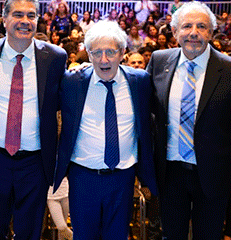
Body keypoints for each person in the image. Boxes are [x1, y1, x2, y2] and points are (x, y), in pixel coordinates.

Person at [146, 1, 231, 239]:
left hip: (213, 176)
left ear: (211, 31)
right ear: (175, 32)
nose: (194, 33)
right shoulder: (158, 61)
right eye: (187, 26)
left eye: (201, 26)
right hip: (170, 173)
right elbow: (141, 104)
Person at [0, 0, 67, 239]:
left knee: (30, 232)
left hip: (35, 162)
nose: (25, 21)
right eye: (18, 14)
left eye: (31, 15)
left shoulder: (55, 57)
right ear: (4, 20)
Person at [54, 20, 157, 239]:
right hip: (83, 176)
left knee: (118, 235)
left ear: (122, 52)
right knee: (84, 236)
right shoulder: (71, 82)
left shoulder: (140, 81)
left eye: (110, 52)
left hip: (123, 177)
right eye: (96, 52)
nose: (104, 59)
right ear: (88, 54)